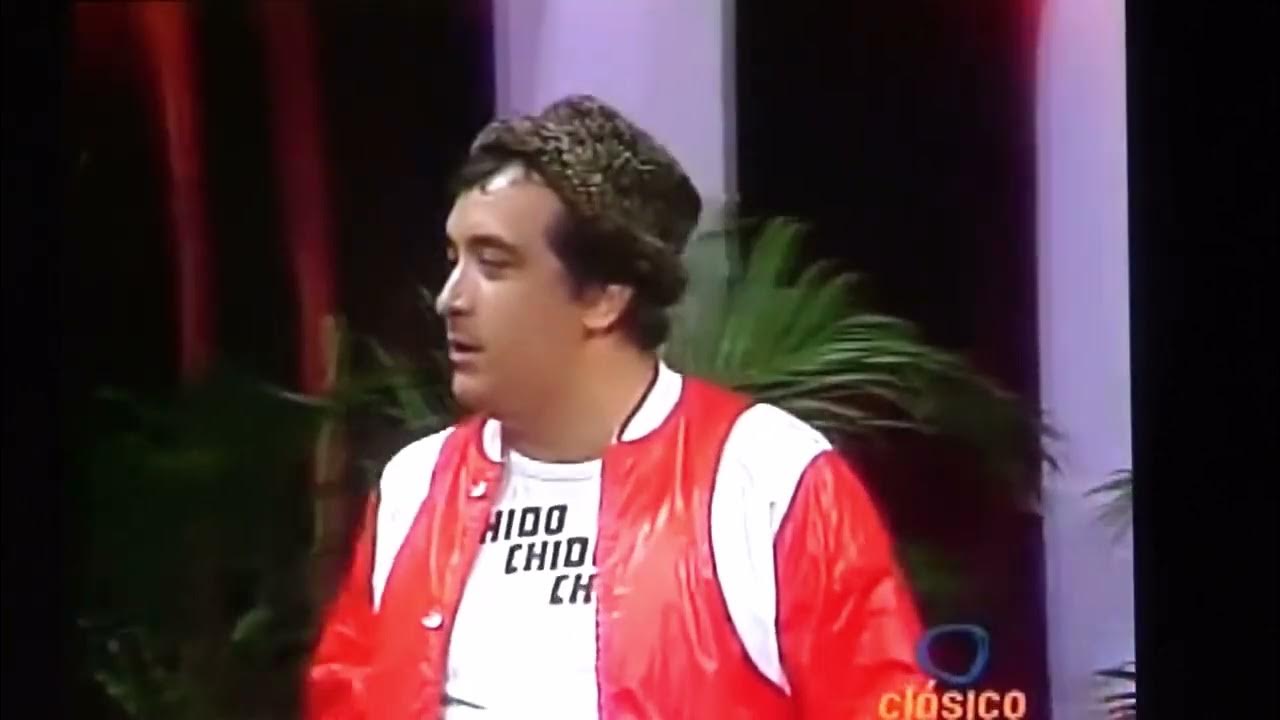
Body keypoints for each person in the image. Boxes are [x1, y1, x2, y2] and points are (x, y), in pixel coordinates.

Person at [305, 94, 926, 720]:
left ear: (604, 296)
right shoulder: (417, 483)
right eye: (453, 261)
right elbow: (343, 698)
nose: (449, 299)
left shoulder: (765, 479)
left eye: (492, 265)